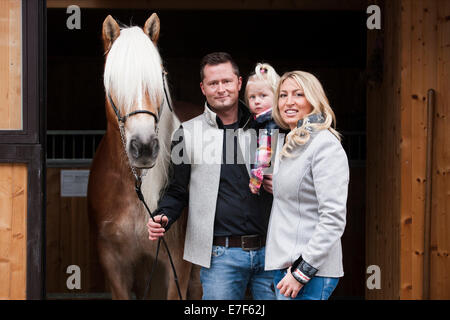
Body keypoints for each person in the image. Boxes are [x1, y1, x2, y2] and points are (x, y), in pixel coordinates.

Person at [147, 52, 276, 300]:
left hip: (273, 253)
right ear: (203, 88)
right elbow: (177, 190)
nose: (221, 89)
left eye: (226, 81)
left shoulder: (267, 127)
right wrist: (163, 214)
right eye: (213, 83)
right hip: (221, 257)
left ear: (239, 84)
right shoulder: (186, 133)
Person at [264, 70, 349, 300]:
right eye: (282, 95)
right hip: (284, 268)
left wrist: (302, 272)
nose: (288, 102)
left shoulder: (324, 144)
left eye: (298, 94)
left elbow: (333, 217)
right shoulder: (291, 143)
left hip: (308, 273)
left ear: (313, 100)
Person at [244, 63, 280, 194]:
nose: (257, 101)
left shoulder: (271, 122)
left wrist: (256, 178)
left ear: (276, 96)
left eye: (263, 95)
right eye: (252, 97)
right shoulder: (257, 120)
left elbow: (265, 150)